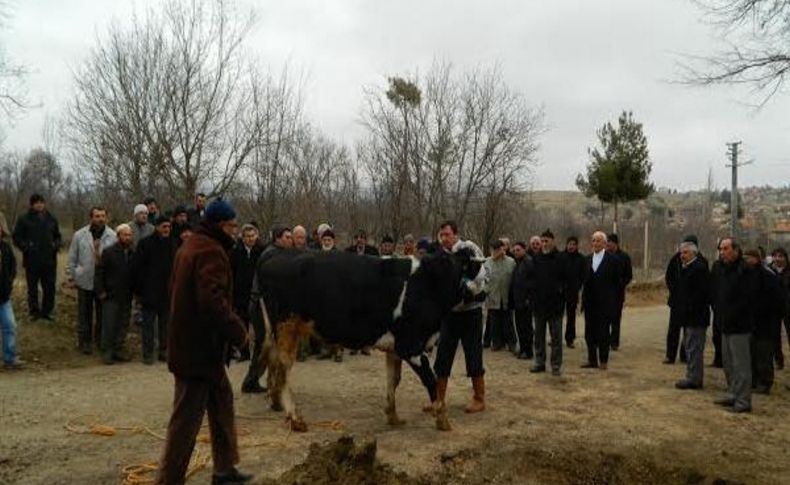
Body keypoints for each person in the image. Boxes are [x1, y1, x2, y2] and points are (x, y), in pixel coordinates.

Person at [156, 198, 252, 485]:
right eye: (233, 226)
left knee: (222, 401)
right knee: (185, 421)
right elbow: (212, 301)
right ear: (222, 225)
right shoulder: (211, 251)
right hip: (197, 352)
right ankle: (169, 480)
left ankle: (224, 470)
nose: (235, 231)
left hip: (198, 349)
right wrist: (240, 334)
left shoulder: (191, 245)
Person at [433, 220, 488, 414]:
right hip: (450, 313)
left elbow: (482, 273)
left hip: (471, 312)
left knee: (473, 354)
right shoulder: (440, 254)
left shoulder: (469, 248)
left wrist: (469, 287)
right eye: (442, 235)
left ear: (456, 234)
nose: (444, 238)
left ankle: (479, 398)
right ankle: (438, 399)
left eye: (447, 234)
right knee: (443, 356)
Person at [242, 225, 293, 393]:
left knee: (265, 345)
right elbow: (268, 285)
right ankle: (251, 381)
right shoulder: (271, 255)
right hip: (260, 305)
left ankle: (253, 379)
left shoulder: (278, 253)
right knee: (263, 345)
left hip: (266, 305)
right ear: (278, 238)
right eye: (287, 237)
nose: (290, 240)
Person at [710, 238, 757, 413]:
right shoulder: (720, 269)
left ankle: (743, 401)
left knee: (741, 366)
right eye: (720, 249)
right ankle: (732, 394)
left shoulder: (745, 271)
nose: (722, 252)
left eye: (726, 248)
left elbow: (749, 299)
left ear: (736, 250)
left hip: (740, 326)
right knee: (728, 364)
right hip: (724, 324)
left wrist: (735, 314)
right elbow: (715, 293)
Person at [66, 207, 117, 355]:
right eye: (97, 216)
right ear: (91, 218)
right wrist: (72, 276)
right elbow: (72, 257)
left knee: (102, 314)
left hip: (103, 281)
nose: (100, 219)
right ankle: (85, 342)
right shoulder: (80, 235)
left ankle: (100, 341)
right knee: (84, 314)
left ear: (106, 217)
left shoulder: (112, 236)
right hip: (84, 279)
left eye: (103, 216)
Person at [134, 215, 177, 364]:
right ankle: (147, 353)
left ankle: (163, 351)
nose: (167, 230)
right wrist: (139, 292)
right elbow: (137, 269)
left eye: (169, 227)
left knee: (165, 325)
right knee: (148, 326)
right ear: (157, 227)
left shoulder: (173, 244)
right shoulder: (145, 244)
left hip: (167, 292)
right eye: (164, 227)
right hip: (149, 292)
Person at [12, 194, 61, 321]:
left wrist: (55, 245)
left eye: (41, 202)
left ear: (44, 203)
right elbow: (16, 237)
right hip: (32, 260)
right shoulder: (24, 219)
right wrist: (26, 247)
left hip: (49, 260)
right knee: (32, 288)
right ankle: (34, 312)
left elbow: (58, 236)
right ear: (32, 204)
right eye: (37, 203)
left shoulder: (51, 218)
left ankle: (47, 311)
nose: (39, 205)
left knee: (49, 287)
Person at [581, 231, 622, 370]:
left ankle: (603, 360)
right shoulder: (586, 260)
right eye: (593, 240)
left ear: (605, 243)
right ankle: (592, 360)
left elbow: (618, 284)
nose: (595, 243)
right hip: (589, 303)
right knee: (589, 333)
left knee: (603, 333)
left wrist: (614, 303)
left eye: (598, 241)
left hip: (605, 304)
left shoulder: (613, 261)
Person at [95, 224, 135, 365]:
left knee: (123, 324)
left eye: (130, 235)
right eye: (125, 235)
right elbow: (99, 272)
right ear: (118, 236)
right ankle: (107, 351)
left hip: (127, 294)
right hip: (111, 294)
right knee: (109, 324)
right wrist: (100, 291)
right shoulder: (108, 252)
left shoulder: (132, 253)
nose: (128, 237)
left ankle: (118, 349)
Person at [673, 241, 710, 390]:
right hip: (689, 316)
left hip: (696, 316)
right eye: (681, 253)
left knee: (694, 348)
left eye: (685, 253)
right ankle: (692, 375)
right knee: (690, 347)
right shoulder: (687, 268)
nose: (682, 256)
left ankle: (694, 378)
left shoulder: (699, 269)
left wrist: (688, 307)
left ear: (694, 253)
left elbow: (700, 294)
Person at [745, 249, 782, 394]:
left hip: (766, 322)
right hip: (752, 321)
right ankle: (754, 380)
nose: (746, 261)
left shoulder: (767, 275)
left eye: (748, 258)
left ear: (756, 259)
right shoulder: (749, 274)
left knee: (764, 354)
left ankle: (765, 382)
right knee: (753, 353)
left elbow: (774, 299)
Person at [530, 229, 568, 376]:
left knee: (556, 338)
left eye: (547, 241)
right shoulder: (537, 258)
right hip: (539, 305)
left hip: (555, 306)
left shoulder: (561, 258)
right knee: (539, 337)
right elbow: (532, 280)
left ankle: (556, 365)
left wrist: (561, 295)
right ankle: (539, 362)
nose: (544, 244)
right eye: (542, 241)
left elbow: (566, 281)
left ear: (553, 241)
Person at [231, 224, 264, 362]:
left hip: (257, 294)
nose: (250, 239)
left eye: (253, 236)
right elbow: (232, 272)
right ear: (242, 238)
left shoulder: (262, 251)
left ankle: (260, 353)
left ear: (257, 236)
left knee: (258, 326)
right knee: (242, 326)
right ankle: (244, 352)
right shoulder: (235, 252)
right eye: (247, 236)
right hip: (241, 294)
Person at [483, 239, 516, 352]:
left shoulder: (511, 262)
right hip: (492, 296)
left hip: (506, 296)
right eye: (493, 249)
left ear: (503, 249)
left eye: (498, 249)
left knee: (508, 321)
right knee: (494, 322)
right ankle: (496, 342)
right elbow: (484, 280)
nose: (496, 252)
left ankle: (511, 343)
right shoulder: (487, 262)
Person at [1, 222, 22, 369]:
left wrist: (9, 282)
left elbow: (13, 266)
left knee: (10, 326)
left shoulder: (5, 247)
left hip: (3, 296)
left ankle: (9, 358)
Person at [606, 234, 632, 351]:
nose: (607, 245)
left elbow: (629, 275)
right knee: (605, 318)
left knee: (616, 319)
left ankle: (614, 342)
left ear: (615, 243)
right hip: (605, 293)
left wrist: (621, 284)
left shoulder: (624, 257)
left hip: (617, 293)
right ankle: (605, 340)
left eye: (609, 242)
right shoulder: (603, 256)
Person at [510, 241, 535, 360]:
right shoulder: (518, 263)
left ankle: (528, 351)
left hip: (525, 301)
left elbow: (532, 283)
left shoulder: (528, 262)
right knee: (519, 326)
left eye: (518, 250)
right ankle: (523, 348)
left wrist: (528, 298)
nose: (516, 252)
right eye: (514, 250)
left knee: (526, 327)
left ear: (524, 250)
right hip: (518, 300)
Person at [563, 236, 585, 349]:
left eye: (573, 244)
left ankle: (570, 338)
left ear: (576, 246)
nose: (571, 246)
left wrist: (578, 285)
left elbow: (583, 275)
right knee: (555, 316)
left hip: (573, 291)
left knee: (571, 316)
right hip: (560, 291)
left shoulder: (581, 259)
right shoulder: (561, 257)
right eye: (569, 244)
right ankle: (555, 338)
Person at [770, 247, 790, 369]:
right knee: (774, 336)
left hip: (788, 308)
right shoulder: (769, 270)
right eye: (775, 256)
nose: (778, 259)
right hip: (774, 309)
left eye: (780, 256)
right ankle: (778, 360)